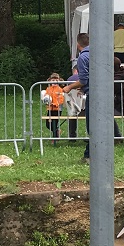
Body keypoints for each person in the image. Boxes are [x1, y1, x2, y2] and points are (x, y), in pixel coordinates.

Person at [62, 33, 90, 161]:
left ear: (78, 45)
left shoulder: (83, 57)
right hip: (104, 93)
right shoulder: (98, 53)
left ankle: (89, 155)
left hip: (92, 94)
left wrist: (70, 87)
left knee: (92, 127)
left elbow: (83, 80)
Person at [41, 73, 66, 142]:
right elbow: (46, 98)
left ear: (59, 81)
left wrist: (55, 104)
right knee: (48, 124)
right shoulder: (48, 89)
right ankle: (57, 131)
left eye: (56, 80)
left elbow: (61, 99)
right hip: (50, 109)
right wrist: (44, 99)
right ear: (50, 81)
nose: (55, 81)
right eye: (53, 80)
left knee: (54, 123)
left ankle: (55, 138)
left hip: (57, 109)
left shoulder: (60, 90)